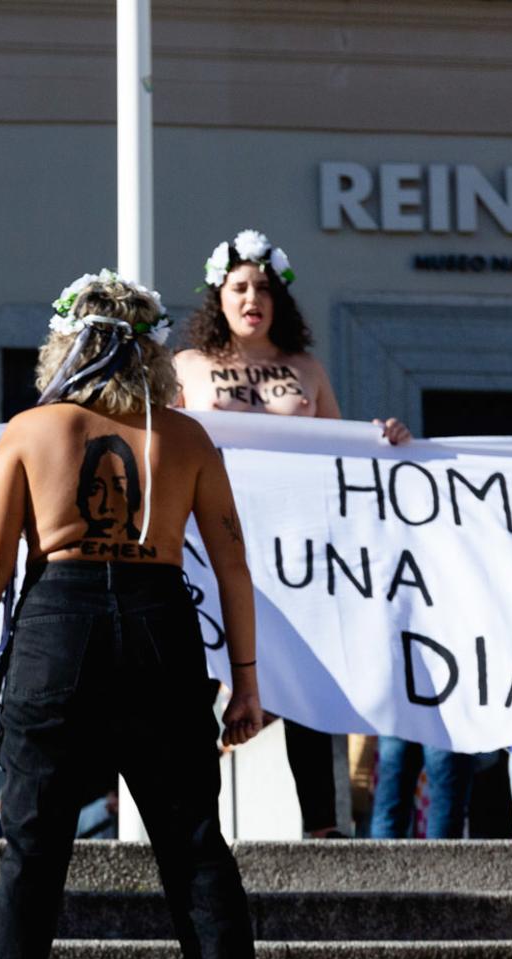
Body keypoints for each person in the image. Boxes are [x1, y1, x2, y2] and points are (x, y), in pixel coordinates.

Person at [0, 269, 268, 959]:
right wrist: (246, 681)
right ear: (152, 351)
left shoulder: (33, 429)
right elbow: (233, 564)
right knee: (196, 853)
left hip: (59, 621)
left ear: (68, 345)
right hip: (160, 624)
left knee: (30, 856)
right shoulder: (185, 437)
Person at [174, 229, 408, 837]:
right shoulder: (189, 367)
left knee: (305, 675)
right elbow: (162, 447)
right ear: (218, 297)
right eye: (239, 287)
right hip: (209, 543)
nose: (252, 298)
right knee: (197, 679)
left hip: (293, 547)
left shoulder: (308, 369)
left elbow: (341, 455)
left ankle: (321, 825)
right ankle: (191, 824)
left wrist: (385, 441)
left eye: (263, 288)